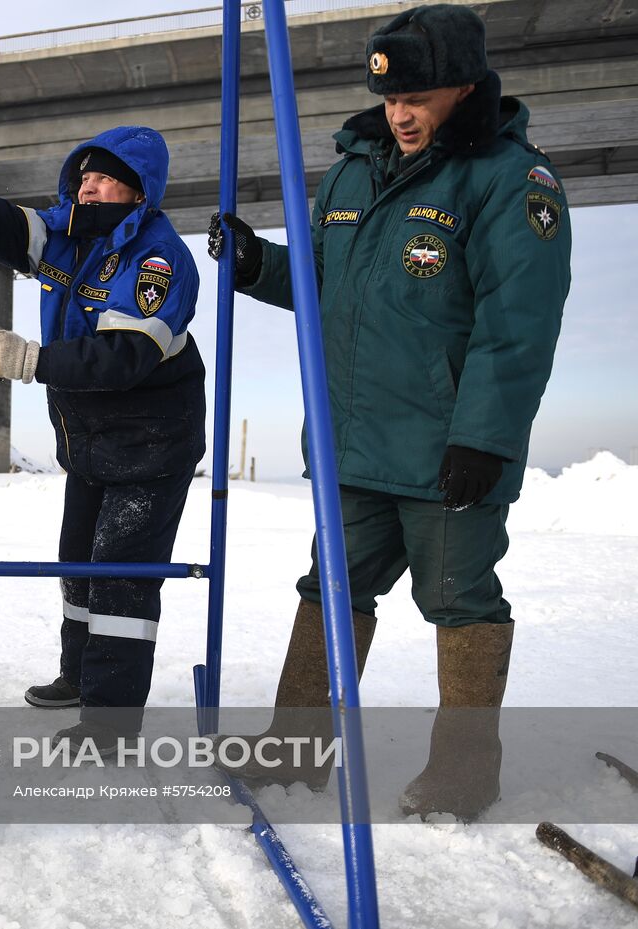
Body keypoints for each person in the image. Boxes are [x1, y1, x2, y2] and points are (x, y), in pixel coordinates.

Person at [207, 4, 571, 818]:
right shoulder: (353, 168)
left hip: (446, 452)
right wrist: (254, 262)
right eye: (390, 95)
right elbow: (324, 281)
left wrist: (482, 438)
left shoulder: (512, 180)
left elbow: (519, 328)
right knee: (329, 586)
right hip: (351, 444)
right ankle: (297, 751)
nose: (400, 114)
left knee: (460, 600)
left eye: (420, 96)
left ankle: (463, 774)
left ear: (466, 87)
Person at [0, 126, 206, 749]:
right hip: (90, 442)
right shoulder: (73, 234)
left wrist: (32, 361)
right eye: (84, 176)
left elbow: (125, 357)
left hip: (150, 444)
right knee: (78, 565)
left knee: (122, 579)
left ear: (137, 192)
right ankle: (78, 677)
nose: (87, 186)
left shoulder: (158, 258)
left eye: (103, 179)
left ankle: (110, 725)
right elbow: (12, 231)